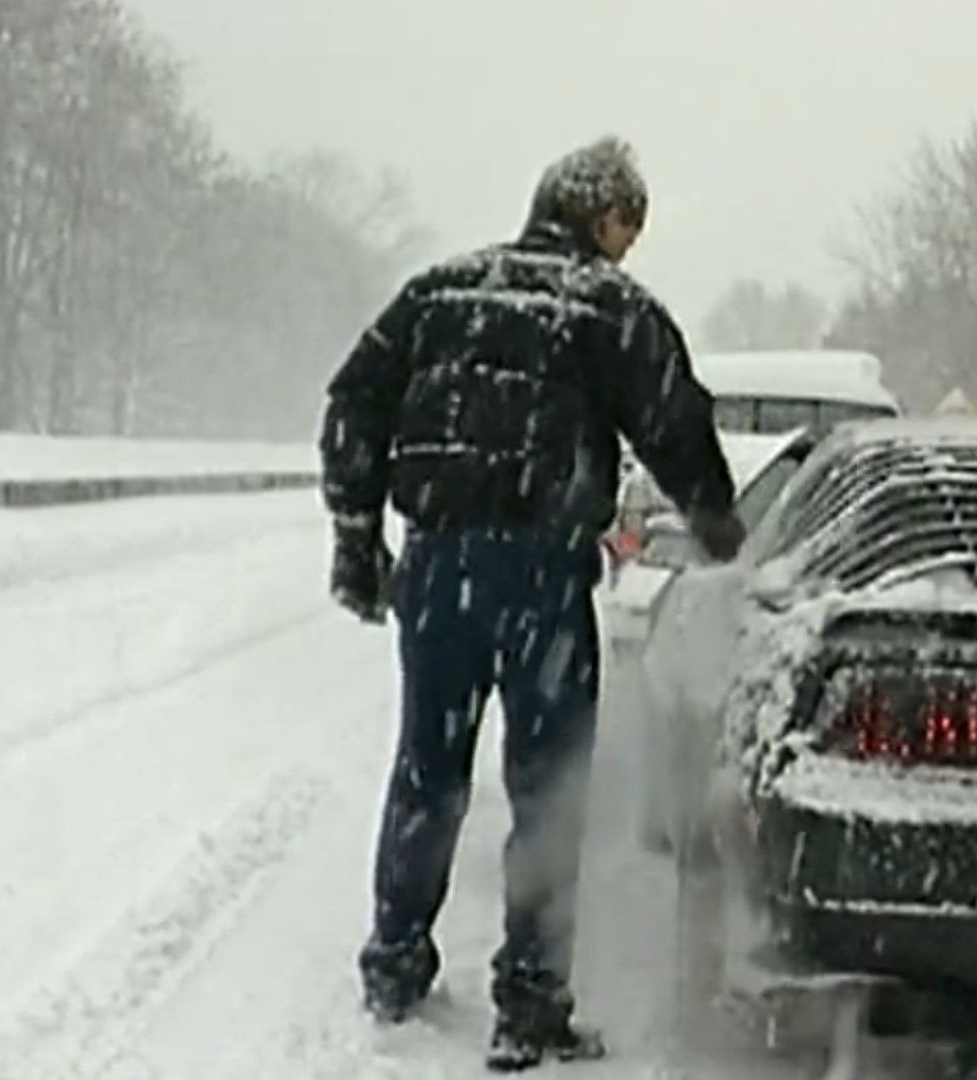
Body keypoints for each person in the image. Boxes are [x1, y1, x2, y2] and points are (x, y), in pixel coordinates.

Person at [315, 135, 745, 1072]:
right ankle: (532, 1002)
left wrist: (358, 544)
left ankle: (394, 965)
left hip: (436, 571)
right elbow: (677, 427)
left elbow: (351, 405)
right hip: (545, 576)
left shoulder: (436, 294)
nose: (630, 251)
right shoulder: (606, 308)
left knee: (428, 767)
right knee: (550, 785)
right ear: (605, 217)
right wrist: (726, 546)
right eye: (631, 230)